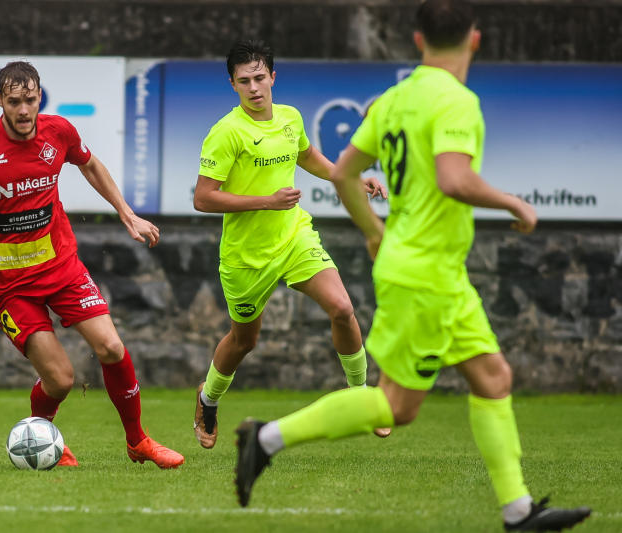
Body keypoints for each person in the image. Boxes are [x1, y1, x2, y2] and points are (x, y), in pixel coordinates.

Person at [233, 1, 592, 530]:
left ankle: (518, 511)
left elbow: (345, 173)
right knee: (398, 406)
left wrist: (374, 232)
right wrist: (513, 202)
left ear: (419, 40)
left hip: (438, 271)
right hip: (425, 274)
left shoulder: (394, 99)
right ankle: (265, 439)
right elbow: (454, 179)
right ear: (475, 39)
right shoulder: (458, 101)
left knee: (493, 377)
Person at [0, 61, 183, 469]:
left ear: (39, 97)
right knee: (61, 379)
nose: (23, 110)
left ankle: (138, 442)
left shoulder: (59, 131)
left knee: (112, 347)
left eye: (30, 100)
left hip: (62, 268)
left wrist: (127, 213)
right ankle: (41, 440)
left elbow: (90, 164)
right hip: (9, 286)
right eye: (14, 101)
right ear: (0, 101)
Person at [192, 39, 389, 449]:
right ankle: (208, 399)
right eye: (244, 81)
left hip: (294, 236)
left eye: (259, 77)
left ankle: (361, 399)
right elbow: (203, 198)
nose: (253, 87)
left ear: (272, 77)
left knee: (342, 308)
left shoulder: (290, 117)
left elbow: (309, 156)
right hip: (246, 256)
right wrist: (266, 200)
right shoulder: (226, 133)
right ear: (233, 85)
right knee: (244, 341)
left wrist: (350, 178)